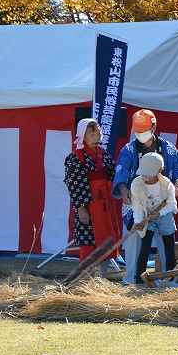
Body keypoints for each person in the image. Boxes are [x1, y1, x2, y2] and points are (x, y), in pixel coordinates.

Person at [113, 109, 178, 285]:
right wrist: (124, 189)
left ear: (154, 127)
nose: (140, 134)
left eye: (144, 130)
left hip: (161, 203)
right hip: (137, 200)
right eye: (137, 130)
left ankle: (169, 281)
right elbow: (121, 172)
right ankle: (132, 280)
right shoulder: (129, 150)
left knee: (166, 242)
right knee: (134, 241)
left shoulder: (167, 149)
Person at [64, 118, 122, 279]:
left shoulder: (102, 153)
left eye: (99, 133)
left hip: (104, 204)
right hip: (88, 205)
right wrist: (81, 209)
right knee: (88, 241)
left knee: (106, 240)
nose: (97, 136)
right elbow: (74, 184)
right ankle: (86, 279)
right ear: (83, 136)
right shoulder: (76, 157)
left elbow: (113, 173)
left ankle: (102, 278)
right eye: (92, 134)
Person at [130, 152, 178, 283]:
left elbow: (171, 204)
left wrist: (159, 213)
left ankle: (171, 279)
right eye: (143, 172)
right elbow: (137, 206)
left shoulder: (167, 185)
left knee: (169, 248)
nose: (145, 176)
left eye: (149, 173)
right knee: (145, 247)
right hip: (146, 215)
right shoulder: (137, 184)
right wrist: (139, 221)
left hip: (164, 215)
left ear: (160, 170)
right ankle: (140, 281)